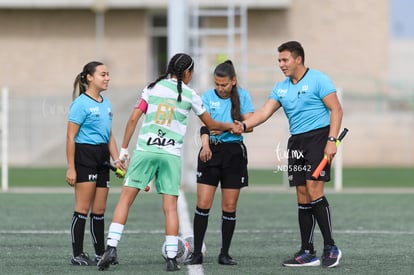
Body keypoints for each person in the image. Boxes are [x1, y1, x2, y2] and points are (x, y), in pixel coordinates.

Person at [97, 53, 240, 272]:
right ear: (187, 73)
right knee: (170, 207)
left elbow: (134, 118)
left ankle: (111, 248)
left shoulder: (152, 88)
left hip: (146, 150)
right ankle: (172, 259)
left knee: (125, 200)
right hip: (170, 156)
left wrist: (124, 151)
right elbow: (210, 124)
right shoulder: (191, 95)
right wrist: (231, 126)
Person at [234, 41, 343, 268]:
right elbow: (264, 112)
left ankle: (331, 246)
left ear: (298, 59)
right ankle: (307, 251)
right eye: (279, 61)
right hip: (296, 142)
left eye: (284, 60)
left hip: (318, 138)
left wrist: (332, 141)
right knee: (302, 195)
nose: (281, 64)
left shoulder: (319, 79)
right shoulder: (281, 87)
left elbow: (336, 109)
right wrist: (243, 126)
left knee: (314, 189)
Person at [185, 60, 254, 266]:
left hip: (234, 154)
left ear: (233, 81)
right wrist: (205, 145)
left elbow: (248, 125)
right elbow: (206, 126)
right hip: (210, 151)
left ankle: (224, 253)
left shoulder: (243, 96)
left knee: (229, 206)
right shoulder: (206, 97)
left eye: (224, 84)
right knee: (203, 204)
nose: (220, 88)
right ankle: (197, 252)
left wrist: (225, 128)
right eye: (217, 84)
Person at [66, 61, 124, 265]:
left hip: (102, 158)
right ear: (89, 77)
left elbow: (109, 135)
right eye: (102, 74)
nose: (107, 78)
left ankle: (101, 254)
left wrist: (117, 159)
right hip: (85, 156)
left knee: (99, 210)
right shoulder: (80, 104)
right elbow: (70, 137)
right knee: (82, 208)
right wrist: (71, 167)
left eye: (108, 74)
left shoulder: (106, 103)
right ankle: (77, 254)